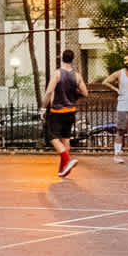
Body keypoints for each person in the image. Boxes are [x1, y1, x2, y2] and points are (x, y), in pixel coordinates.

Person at [43, 48, 86, 178]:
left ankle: (67, 159)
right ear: (72, 60)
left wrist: (43, 107)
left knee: (50, 136)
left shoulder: (57, 74)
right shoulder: (77, 76)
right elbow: (85, 93)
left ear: (62, 58)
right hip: (70, 111)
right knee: (65, 138)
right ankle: (63, 170)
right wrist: (74, 94)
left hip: (57, 111)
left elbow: (49, 91)